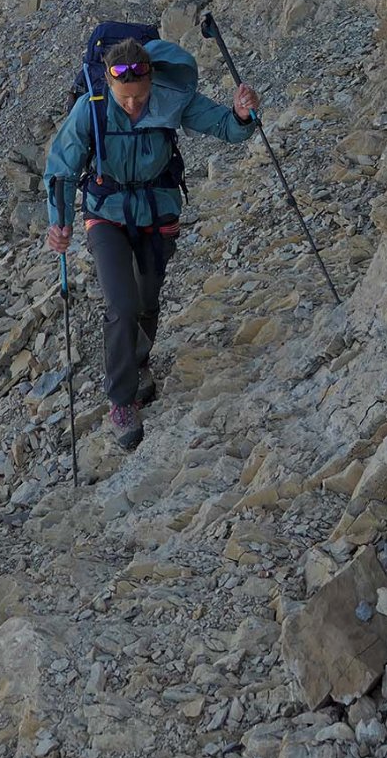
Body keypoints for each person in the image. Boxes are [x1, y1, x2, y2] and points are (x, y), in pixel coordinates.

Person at [44, 36, 259, 449]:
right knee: (122, 304)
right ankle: (121, 400)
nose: (133, 106)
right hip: (105, 213)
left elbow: (223, 126)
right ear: (109, 85)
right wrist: (60, 223)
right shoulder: (91, 107)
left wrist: (242, 115)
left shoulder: (169, 96)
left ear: (151, 82)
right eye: (125, 98)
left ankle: (140, 362)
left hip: (157, 211)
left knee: (147, 300)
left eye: (140, 97)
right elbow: (61, 168)